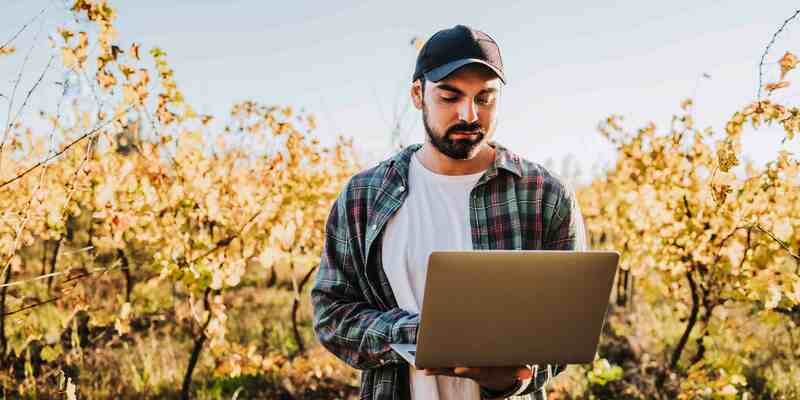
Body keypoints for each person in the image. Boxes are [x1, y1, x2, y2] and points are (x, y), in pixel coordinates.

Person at [311, 24, 587, 400]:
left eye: (485, 98)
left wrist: (512, 378)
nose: (469, 114)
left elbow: (565, 326)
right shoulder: (365, 196)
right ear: (417, 94)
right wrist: (416, 335)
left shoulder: (544, 196)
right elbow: (331, 312)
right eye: (450, 96)